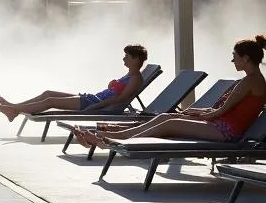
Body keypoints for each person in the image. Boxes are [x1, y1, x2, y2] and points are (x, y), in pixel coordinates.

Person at [70, 35, 266, 149]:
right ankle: (108, 135)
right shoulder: (251, 80)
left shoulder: (250, 81)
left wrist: (199, 113)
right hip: (219, 124)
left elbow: (221, 111)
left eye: (235, 56)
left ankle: (113, 141)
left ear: (246, 58)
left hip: (226, 131)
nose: (232, 60)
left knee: (169, 122)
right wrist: (197, 112)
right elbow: (223, 110)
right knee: (165, 117)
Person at [0, 44, 148, 123]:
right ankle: (13, 107)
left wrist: (96, 106)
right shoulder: (129, 75)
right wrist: (111, 86)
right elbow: (117, 93)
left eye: (127, 56)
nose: (124, 58)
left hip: (94, 102)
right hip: (92, 98)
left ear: (136, 59)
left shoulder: (135, 78)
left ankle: (13, 110)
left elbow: (121, 99)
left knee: (50, 101)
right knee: (48, 93)